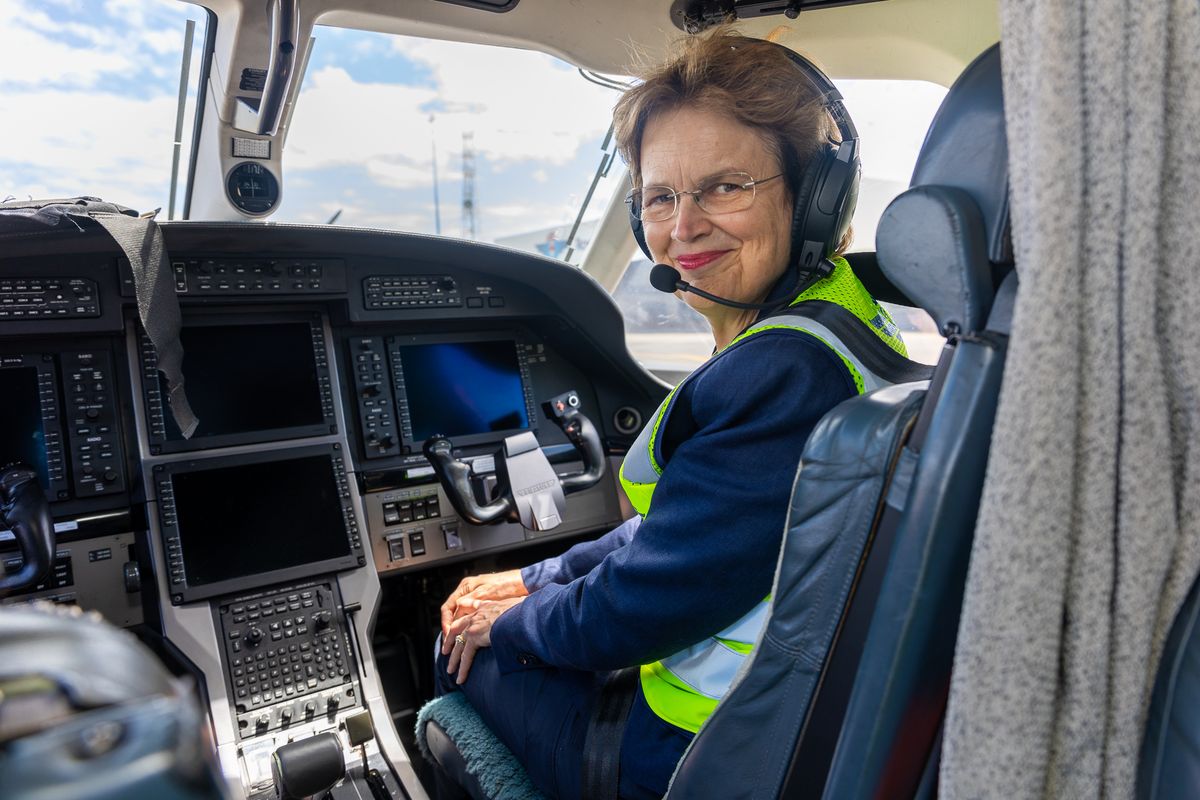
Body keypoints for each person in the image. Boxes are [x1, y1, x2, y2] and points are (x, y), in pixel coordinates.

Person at [432, 28, 908, 799]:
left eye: (725, 187)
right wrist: (530, 577)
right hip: (796, 716)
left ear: (817, 200)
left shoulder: (782, 374)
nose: (682, 229)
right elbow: (682, 533)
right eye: (660, 197)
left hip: (698, 752)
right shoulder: (843, 319)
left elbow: (644, 601)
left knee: (455, 648)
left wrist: (509, 622)